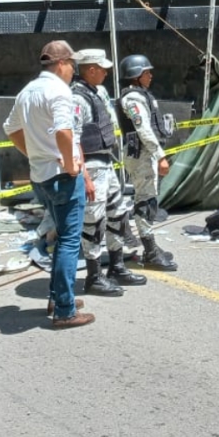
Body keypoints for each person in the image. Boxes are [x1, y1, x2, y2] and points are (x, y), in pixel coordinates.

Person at [5, 41, 96, 328]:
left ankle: (59, 297)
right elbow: (64, 132)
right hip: (61, 175)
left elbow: (11, 129)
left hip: (40, 176)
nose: (74, 70)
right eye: (72, 65)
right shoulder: (59, 91)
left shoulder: (27, 91)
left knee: (61, 238)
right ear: (60, 64)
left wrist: (33, 153)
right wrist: (71, 165)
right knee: (70, 241)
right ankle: (65, 310)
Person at [71, 49, 147, 295]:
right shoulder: (77, 98)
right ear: (90, 70)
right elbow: (72, 139)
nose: (105, 72)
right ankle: (93, 277)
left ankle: (116, 266)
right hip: (91, 166)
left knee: (118, 213)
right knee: (93, 221)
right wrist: (83, 175)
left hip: (106, 162)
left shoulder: (97, 92)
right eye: (101, 68)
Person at [117, 53, 179, 271]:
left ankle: (150, 247)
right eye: (146, 72)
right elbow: (143, 128)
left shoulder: (141, 95)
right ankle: (150, 251)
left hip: (146, 153)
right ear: (135, 75)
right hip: (141, 154)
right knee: (145, 202)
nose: (150, 76)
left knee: (149, 200)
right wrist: (160, 155)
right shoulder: (132, 99)